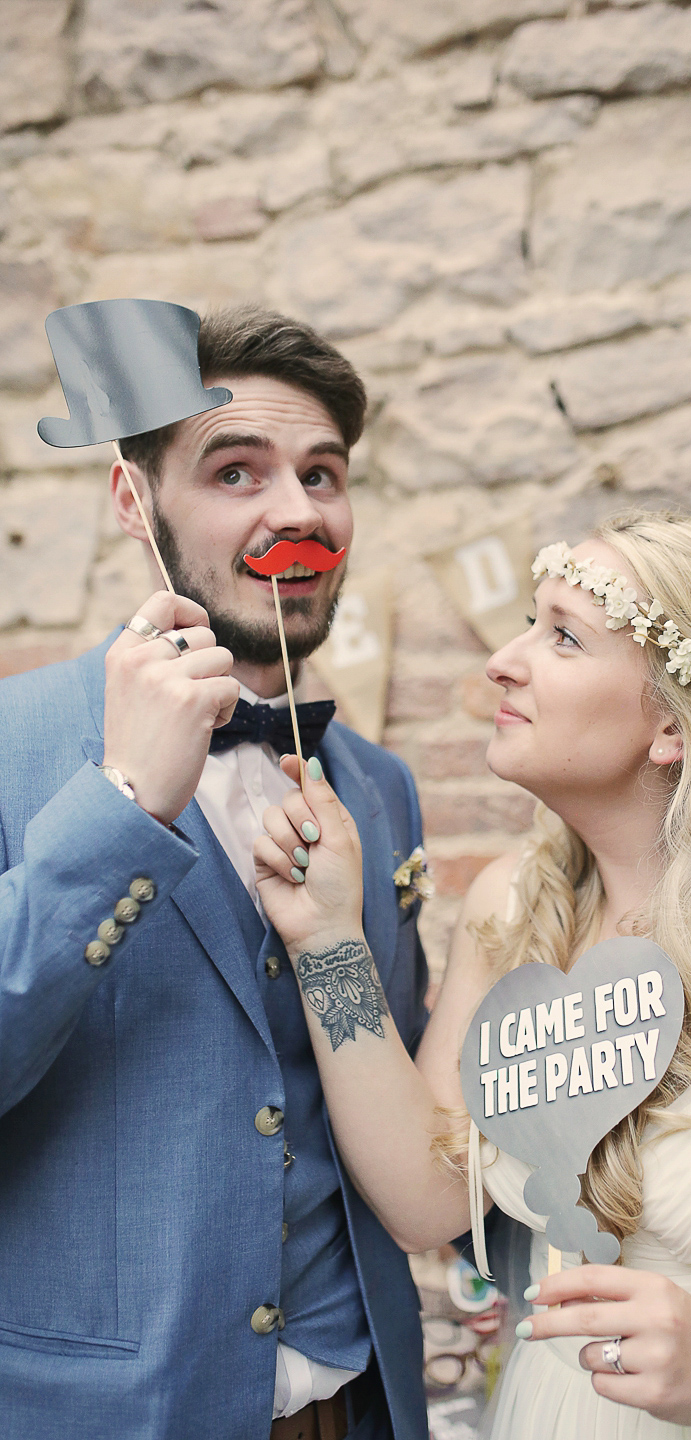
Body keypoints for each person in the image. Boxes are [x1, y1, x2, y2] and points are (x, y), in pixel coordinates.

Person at [256, 509, 691, 1439]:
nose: (504, 661)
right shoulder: (514, 910)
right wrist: (328, 943)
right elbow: (427, 1198)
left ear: (669, 726)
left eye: (562, 635)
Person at [0, 307, 430, 1440]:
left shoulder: (379, 788)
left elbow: (367, 1074)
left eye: (323, 474)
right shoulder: (7, 745)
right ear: (135, 503)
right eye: (236, 470)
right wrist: (125, 803)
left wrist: (333, 955)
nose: (298, 511)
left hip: (349, 1406)